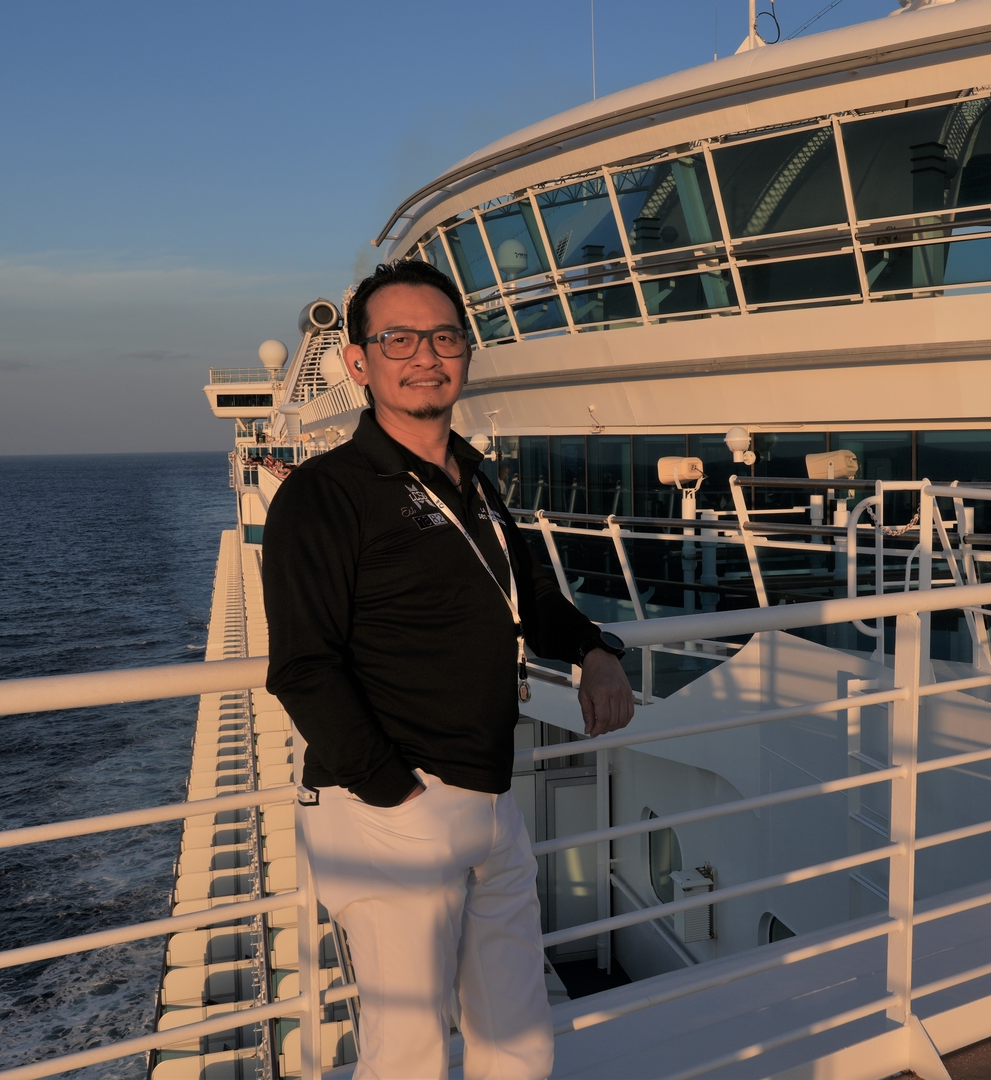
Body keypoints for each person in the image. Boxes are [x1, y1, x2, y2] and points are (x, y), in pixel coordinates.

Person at [262, 258, 635, 1079]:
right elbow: (303, 667)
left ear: (465, 350)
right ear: (358, 362)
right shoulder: (325, 495)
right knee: (409, 1056)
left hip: (490, 797)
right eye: (398, 339)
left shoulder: (472, 480)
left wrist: (596, 650)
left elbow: (530, 598)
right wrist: (398, 796)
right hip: (392, 805)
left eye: (443, 337)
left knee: (518, 1037)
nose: (425, 356)